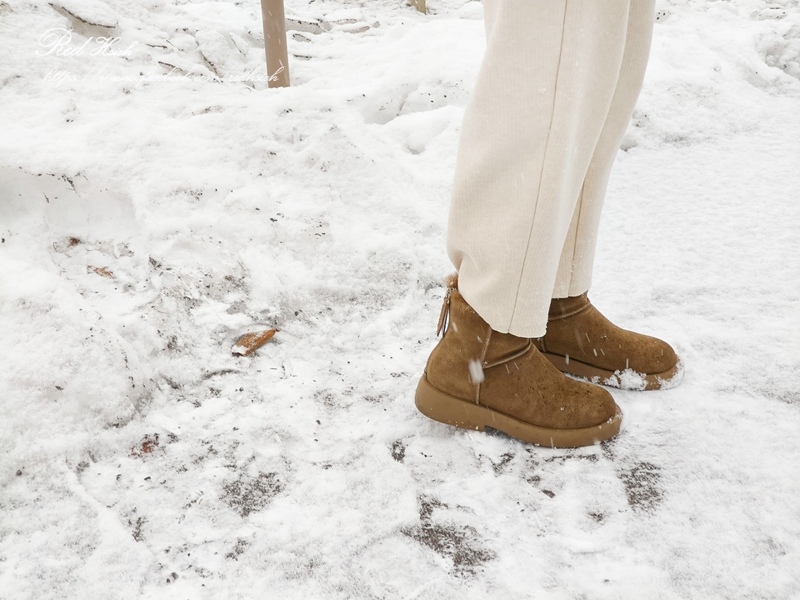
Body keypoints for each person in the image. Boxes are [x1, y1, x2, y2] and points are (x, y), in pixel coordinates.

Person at [415, 0, 681, 448]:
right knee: (549, 51)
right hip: (481, 350)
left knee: (606, 47)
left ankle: (551, 304)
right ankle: (484, 343)